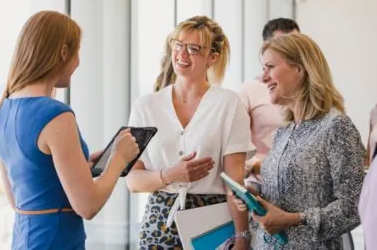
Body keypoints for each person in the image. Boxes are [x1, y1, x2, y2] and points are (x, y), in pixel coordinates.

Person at [0, 11, 140, 250]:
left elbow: (20, 198)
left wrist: (81, 169)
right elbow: (88, 206)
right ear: (63, 52)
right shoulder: (55, 114)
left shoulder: (2, 110)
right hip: (57, 241)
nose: (78, 62)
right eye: (77, 52)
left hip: (24, 240)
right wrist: (118, 159)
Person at [126, 16, 255, 249]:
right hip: (159, 222)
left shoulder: (228, 104)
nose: (182, 54)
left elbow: (234, 182)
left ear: (212, 58)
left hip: (213, 224)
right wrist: (169, 175)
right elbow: (133, 181)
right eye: (178, 45)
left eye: (193, 49)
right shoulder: (146, 106)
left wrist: (242, 236)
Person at [232, 33, 364, 249]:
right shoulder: (285, 131)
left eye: (270, 67)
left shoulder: (336, 127)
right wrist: (254, 197)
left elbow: (354, 207)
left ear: (300, 69)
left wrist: (295, 219)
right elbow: (289, 193)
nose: (263, 77)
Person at [239, 18, 300, 181]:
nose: (290, 51)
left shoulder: (311, 93)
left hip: (299, 184)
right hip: (261, 182)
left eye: (296, 43)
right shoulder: (249, 90)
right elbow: (237, 148)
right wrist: (265, 166)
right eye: (282, 44)